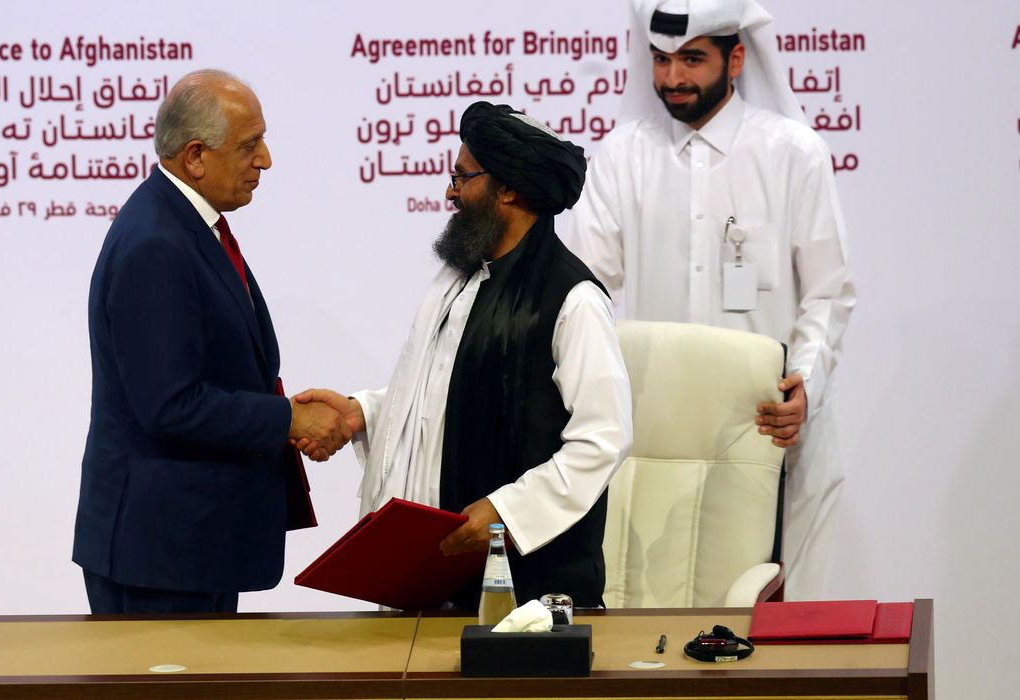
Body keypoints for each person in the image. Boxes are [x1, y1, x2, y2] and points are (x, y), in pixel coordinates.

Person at [566, 0, 856, 599]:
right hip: (657, 443)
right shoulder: (622, 156)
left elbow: (829, 292)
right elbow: (586, 290)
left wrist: (806, 381)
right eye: (662, 60)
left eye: (692, 59)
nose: (673, 78)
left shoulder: (793, 153)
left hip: (771, 427)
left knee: (781, 633)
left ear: (737, 57)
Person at [296, 102, 632, 608]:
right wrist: (359, 413)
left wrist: (507, 511)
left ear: (509, 188)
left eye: (462, 177)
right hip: (441, 582)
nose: (450, 191)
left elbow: (602, 439)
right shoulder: (459, 278)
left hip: (534, 597)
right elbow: (448, 391)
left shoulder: (573, 299)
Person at [72, 69, 349, 614]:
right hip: (159, 558)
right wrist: (288, 420)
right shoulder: (156, 242)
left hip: (191, 546)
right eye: (250, 146)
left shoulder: (184, 226)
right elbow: (169, 406)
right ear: (195, 156)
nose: (265, 160)